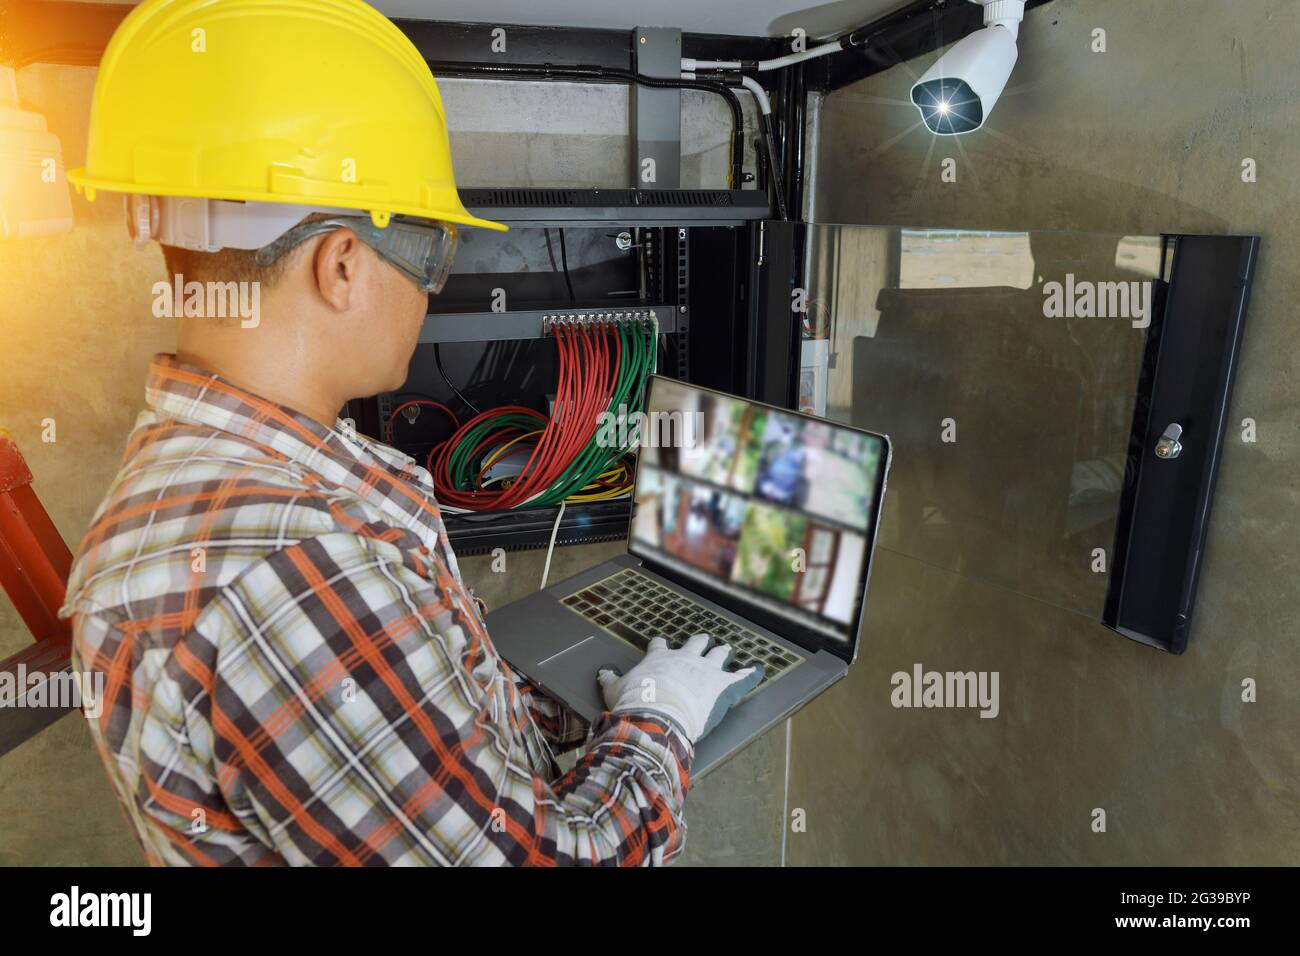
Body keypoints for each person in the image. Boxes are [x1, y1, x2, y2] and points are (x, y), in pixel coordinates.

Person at [59, 0, 759, 866]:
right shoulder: (288, 574)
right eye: (430, 251)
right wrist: (660, 719)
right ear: (342, 263)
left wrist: (580, 714)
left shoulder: (218, 480)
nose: (428, 292)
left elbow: (425, 757)